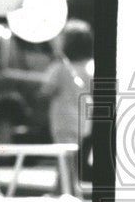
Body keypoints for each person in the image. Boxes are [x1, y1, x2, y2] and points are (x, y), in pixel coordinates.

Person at [40, 19, 95, 178]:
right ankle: (64, 188)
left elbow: (46, 91)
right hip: (84, 119)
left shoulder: (59, 68)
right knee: (75, 157)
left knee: (64, 158)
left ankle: (64, 189)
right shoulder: (91, 66)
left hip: (63, 119)